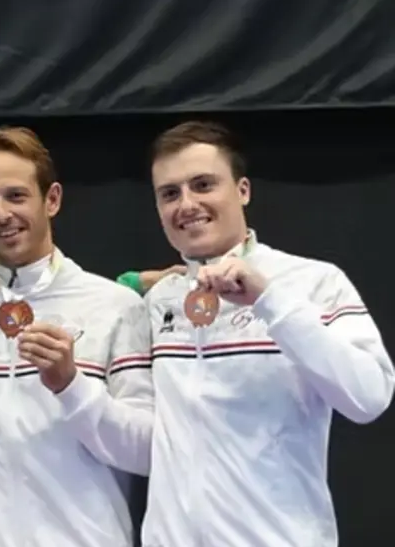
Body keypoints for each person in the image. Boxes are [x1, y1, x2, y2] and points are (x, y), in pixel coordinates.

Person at [141, 120, 394, 547]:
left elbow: (370, 396)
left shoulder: (313, 281)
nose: (186, 204)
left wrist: (270, 300)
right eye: (170, 193)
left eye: (203, 185)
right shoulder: (159, 300)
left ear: (243, 190)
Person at [0, 127, 152, 547]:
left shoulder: (115, 306)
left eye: (17, 196)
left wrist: (72, 386)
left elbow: (146, 451)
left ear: (52, 199)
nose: (1, 214)